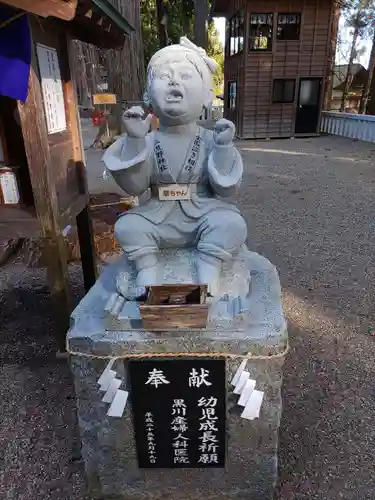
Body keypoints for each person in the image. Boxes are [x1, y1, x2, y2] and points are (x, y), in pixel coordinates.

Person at [102, 37, 247, 295]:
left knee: (232, 223)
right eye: (165, 76)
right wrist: (135, 141)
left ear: (206, 95)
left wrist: (224, 148)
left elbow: (226, 191)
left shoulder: (210, 138)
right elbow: (134, 187)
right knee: (126, 226)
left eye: (186, 76)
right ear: (148, 95)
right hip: (158, 216)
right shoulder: (148, 139)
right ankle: (147, 269)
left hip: (202, 213)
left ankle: (209, 266)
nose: (174, 82)